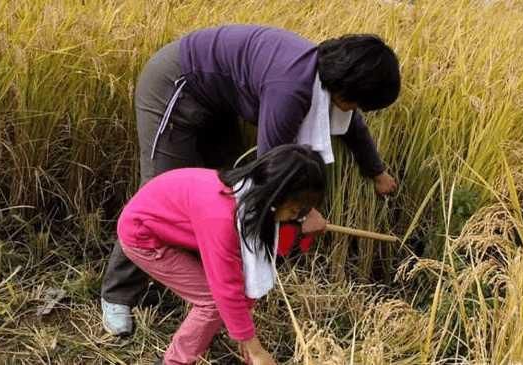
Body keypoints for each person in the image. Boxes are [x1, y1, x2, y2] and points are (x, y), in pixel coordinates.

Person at [101, 24, 401, 335]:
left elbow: (352, 124)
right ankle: (116, 296)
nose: (355, 110)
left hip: (218, 101)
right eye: (357, 102)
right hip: (176, 87)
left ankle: (202, 286)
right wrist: (305, 212)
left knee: (228, 195)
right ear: (345, 87)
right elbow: (270, 172)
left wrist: (376, 171)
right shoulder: (291, 88)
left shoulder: (328, 75)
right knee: (155, 194)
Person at [117, 145, 326, 364]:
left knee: (224, 294)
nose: (295, 216)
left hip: (172, 225)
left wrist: (303, 216)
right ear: (274, 193)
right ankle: (174, 361)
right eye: (295, 210)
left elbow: (248, 266)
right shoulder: (222, 218)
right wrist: (255, 349)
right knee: (212, 301)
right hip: (142, 235)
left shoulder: (248, 193)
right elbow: (226, 289)